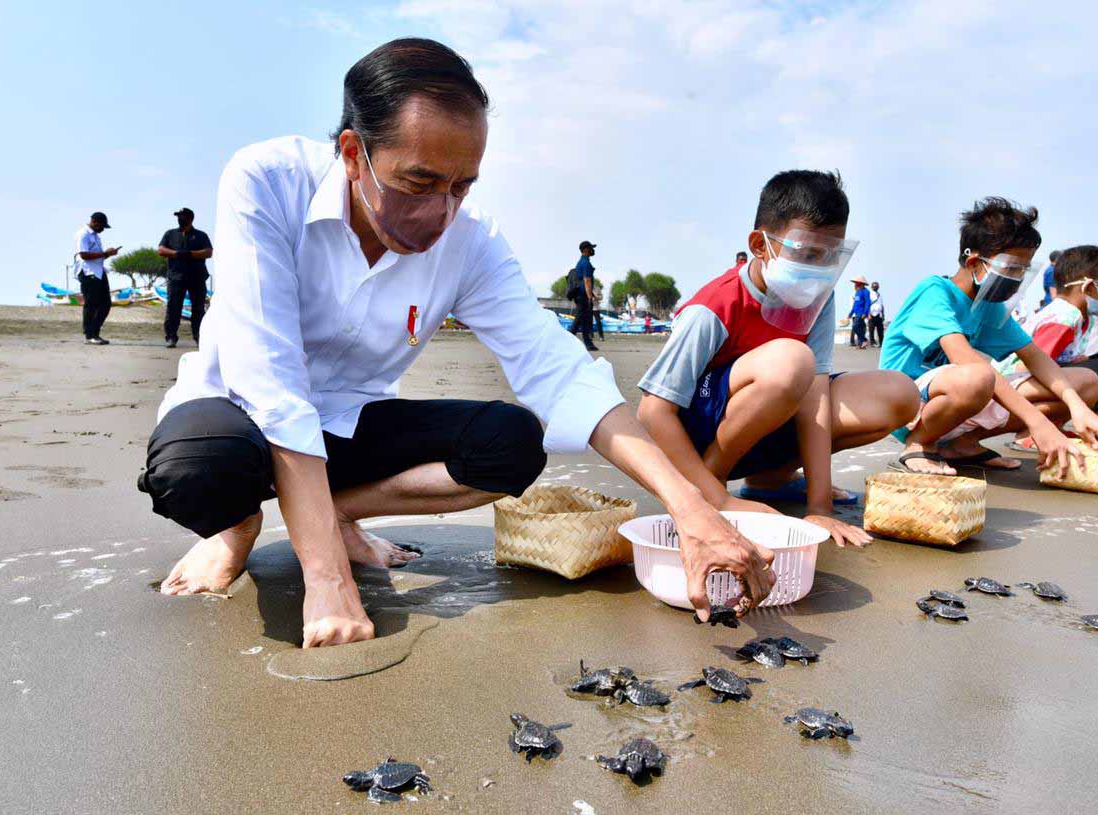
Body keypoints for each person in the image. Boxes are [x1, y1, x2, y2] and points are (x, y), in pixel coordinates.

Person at [137, 39, 775, 647]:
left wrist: (691, 509)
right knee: (197, 469)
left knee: (513, 443)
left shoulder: (471, 240)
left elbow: (558, 371)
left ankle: (329, 512)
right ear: (354, 153)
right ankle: (240, 524)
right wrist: (327, 580)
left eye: (462, 185)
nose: (441, 214)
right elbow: (272, 386)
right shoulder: (267, 182)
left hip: (349, 425)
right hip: (240, 413)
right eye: (418, 184)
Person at [637, 169, 921, 545]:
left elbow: (816, 396)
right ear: (760, 244)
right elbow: (653, 411)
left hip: (765, 426)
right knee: (793, 361)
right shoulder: (713, 307)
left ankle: (771, 479)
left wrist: (819, 508)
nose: (819, 268)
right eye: (806, 254)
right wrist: (715, 495)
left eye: (829, 256)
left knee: (899, 393)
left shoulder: (818, 297)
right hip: (700, 439)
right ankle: (710, 486)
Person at [878, 198, 1098, 474]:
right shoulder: (934, 292)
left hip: (960, 399)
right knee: (979, 376)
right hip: (906, 406)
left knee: (1084, 382)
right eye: (1011, 268)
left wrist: (1077, 407)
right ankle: (919, 443)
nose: (1017, 277)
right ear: (975, 263)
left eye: (1023, 270)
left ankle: (962, 444)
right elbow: (968, 363)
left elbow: (1035, 356)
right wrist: (1037, 422)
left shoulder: (989, 306)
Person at [995, 246, 1098, 441]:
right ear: (1088, 287)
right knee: (1089, 379)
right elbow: (1029, 364)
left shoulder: (1083, 315)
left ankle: (1055, 424)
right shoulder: (1064, 317)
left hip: (1029, 379)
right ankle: (1030, 432)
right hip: (1012, 380)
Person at [157, 207, 214, 348]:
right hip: (176, 277)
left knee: (198, 309)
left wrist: (191, 254)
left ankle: (199, 338)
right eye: (178, 216)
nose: (179, 219)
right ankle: (171, 337)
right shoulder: (170, 234)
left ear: (190, 218)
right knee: (173, 308)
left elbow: (209, 252)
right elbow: (161, 249)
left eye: (182, 216)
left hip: (197, 277)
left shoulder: (201, 235)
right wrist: (176, 253)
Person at [74, 211, 119, 345]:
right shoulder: (83, 234)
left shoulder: (95, 236)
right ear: (94, 221)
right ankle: (90, 335)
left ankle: (95, 332)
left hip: (99, 272)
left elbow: (98, 255)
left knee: (106, 304)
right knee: (91, 305)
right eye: (102, 226)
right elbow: (84, 255)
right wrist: (104, 253)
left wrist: (109, 254)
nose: (103, 229)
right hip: (88, 273)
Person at [568, 240, 599, 351]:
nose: (593, 250)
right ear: (586, 250)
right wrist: (589, 296)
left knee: (584, 319)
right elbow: (586, 280)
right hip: (582, 295)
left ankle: (588, 343)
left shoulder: (582, 262)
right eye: (591, 248)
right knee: (580, 318)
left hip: (581, 294)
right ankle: (567, 340)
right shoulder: (585, 263)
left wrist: (592, 295)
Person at [867, 281, 885, 347]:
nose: (875, 287)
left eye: (876, 286)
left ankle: (881, 343)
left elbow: (882, 305)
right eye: (874, 286)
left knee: (880, 330)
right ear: (871, 287)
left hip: (879, 315)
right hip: (872, 314)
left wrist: (883, 315)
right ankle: (872, 343)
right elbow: (868, 304)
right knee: (871, 330)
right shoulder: (870, 294)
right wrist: (868, 314)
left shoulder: (880, 295)